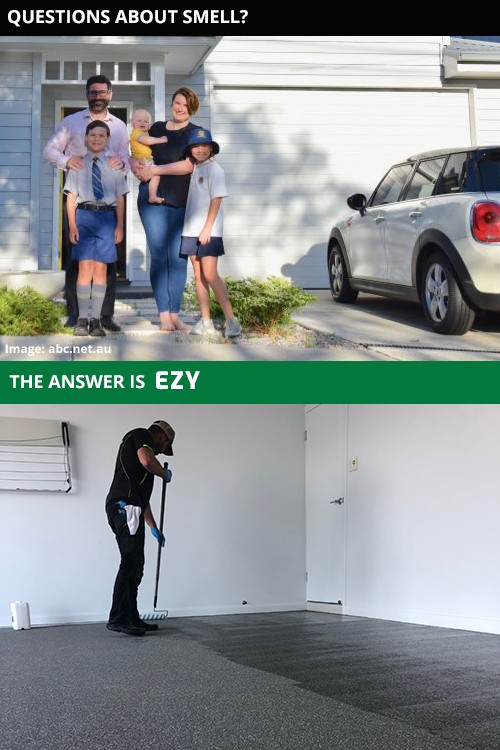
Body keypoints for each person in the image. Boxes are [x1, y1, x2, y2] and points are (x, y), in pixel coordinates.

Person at [43, 74, 129, 331]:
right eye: (94, 92)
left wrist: (121, 164)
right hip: (79, 200)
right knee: (77, 262)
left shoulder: (119, 126)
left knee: (106, 264)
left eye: (103, 92)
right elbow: (50, 150)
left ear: (110, 95)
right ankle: (76, 314)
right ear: (87, 94)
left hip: (107, 204)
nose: (98, 96)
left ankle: (104, 317)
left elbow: (125, 158)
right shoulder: (71, 122)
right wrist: (68, 162)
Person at [131, 87, 201, 332]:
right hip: (152, 199)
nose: (180, 108)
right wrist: (135, 165)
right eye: (177, 102)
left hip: (182, 200)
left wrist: (155, 170)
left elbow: (188, 166)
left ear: (192, 109)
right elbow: (137, 146)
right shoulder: (157, 128)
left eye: (185, 105)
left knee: (178, 259)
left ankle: (175, 315)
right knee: (159, 255)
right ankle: (163, 316)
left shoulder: (195, 133)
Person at [105, 420, 175, 637]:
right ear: (162, 437)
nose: (163, 452)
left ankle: (131, 617)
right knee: (129, 560)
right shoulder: (141, 435)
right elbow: (146, 460)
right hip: (123, 507)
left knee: (136, 564)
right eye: (165, 447)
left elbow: (142, 502)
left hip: (132, 507)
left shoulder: (145, 470)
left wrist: (154, 528)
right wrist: (163, 474)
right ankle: (118, 618)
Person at [64, 121, 128, 337]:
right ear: (86, 137)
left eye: (102, 135)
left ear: (108, 139)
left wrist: (119, 225)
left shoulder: (115, 165)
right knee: (84, 268)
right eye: (93, 135)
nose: (97, 138)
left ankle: (97, 320)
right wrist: (72, 225)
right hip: (83, 216)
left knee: (100, 269)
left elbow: (120, 198)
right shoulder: (77, 165)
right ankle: (82, 318)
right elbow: (71, 197)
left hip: (106, 217)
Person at [180, 128, 241, 338]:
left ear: (211, 148)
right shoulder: (195, 168)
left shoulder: (215, 169)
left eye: (204, 145)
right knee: (198, 276)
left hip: (209, 231)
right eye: (196, 146)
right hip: (190, 230)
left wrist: (207, 228)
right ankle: (205, 321)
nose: (200, 149)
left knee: (210, 274)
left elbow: (217, 199)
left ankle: (231, 321)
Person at [129, 108, 167, 205]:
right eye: (139, 120)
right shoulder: (136, 132)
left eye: (146, 121)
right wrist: (161, 140)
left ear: (149, 125)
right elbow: (146, 141)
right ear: (132, 123)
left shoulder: (145, 132)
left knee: (155, 175)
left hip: (145, 160)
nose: (143, 123)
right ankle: (152, 196)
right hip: (143, 161)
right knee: (156, 175)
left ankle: (152, 195)